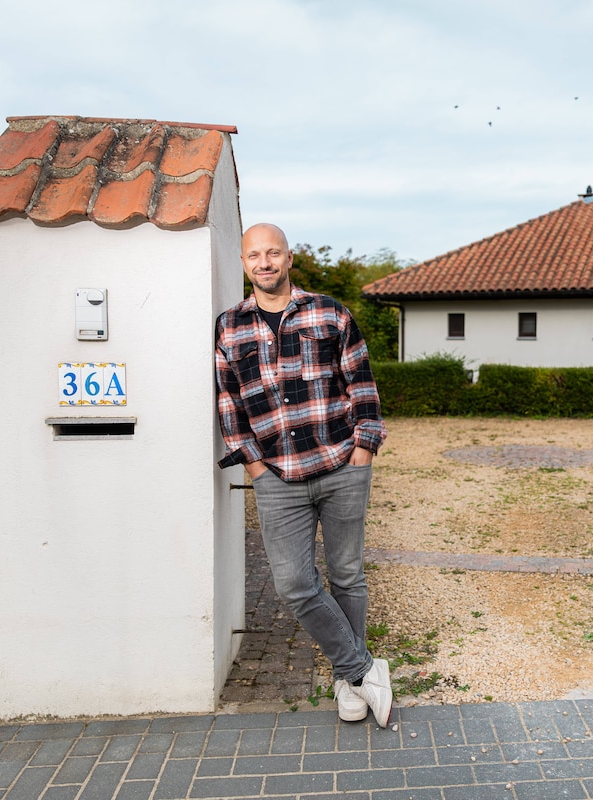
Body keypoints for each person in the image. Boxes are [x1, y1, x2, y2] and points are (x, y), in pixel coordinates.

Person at [215, 223, 391, 726]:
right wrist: (253, 465)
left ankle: (348, 687)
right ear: (245, 263)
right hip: (276, 477)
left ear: (289, 258)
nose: (264, 262)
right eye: (254, 255)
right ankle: (360, 668)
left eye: (273, 253)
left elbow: (362, 384)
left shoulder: (330, 312)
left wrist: (364, 451)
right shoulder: (229, 327)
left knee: (347, 575)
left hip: (341, 465)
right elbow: (228, 402)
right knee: (294, 583)